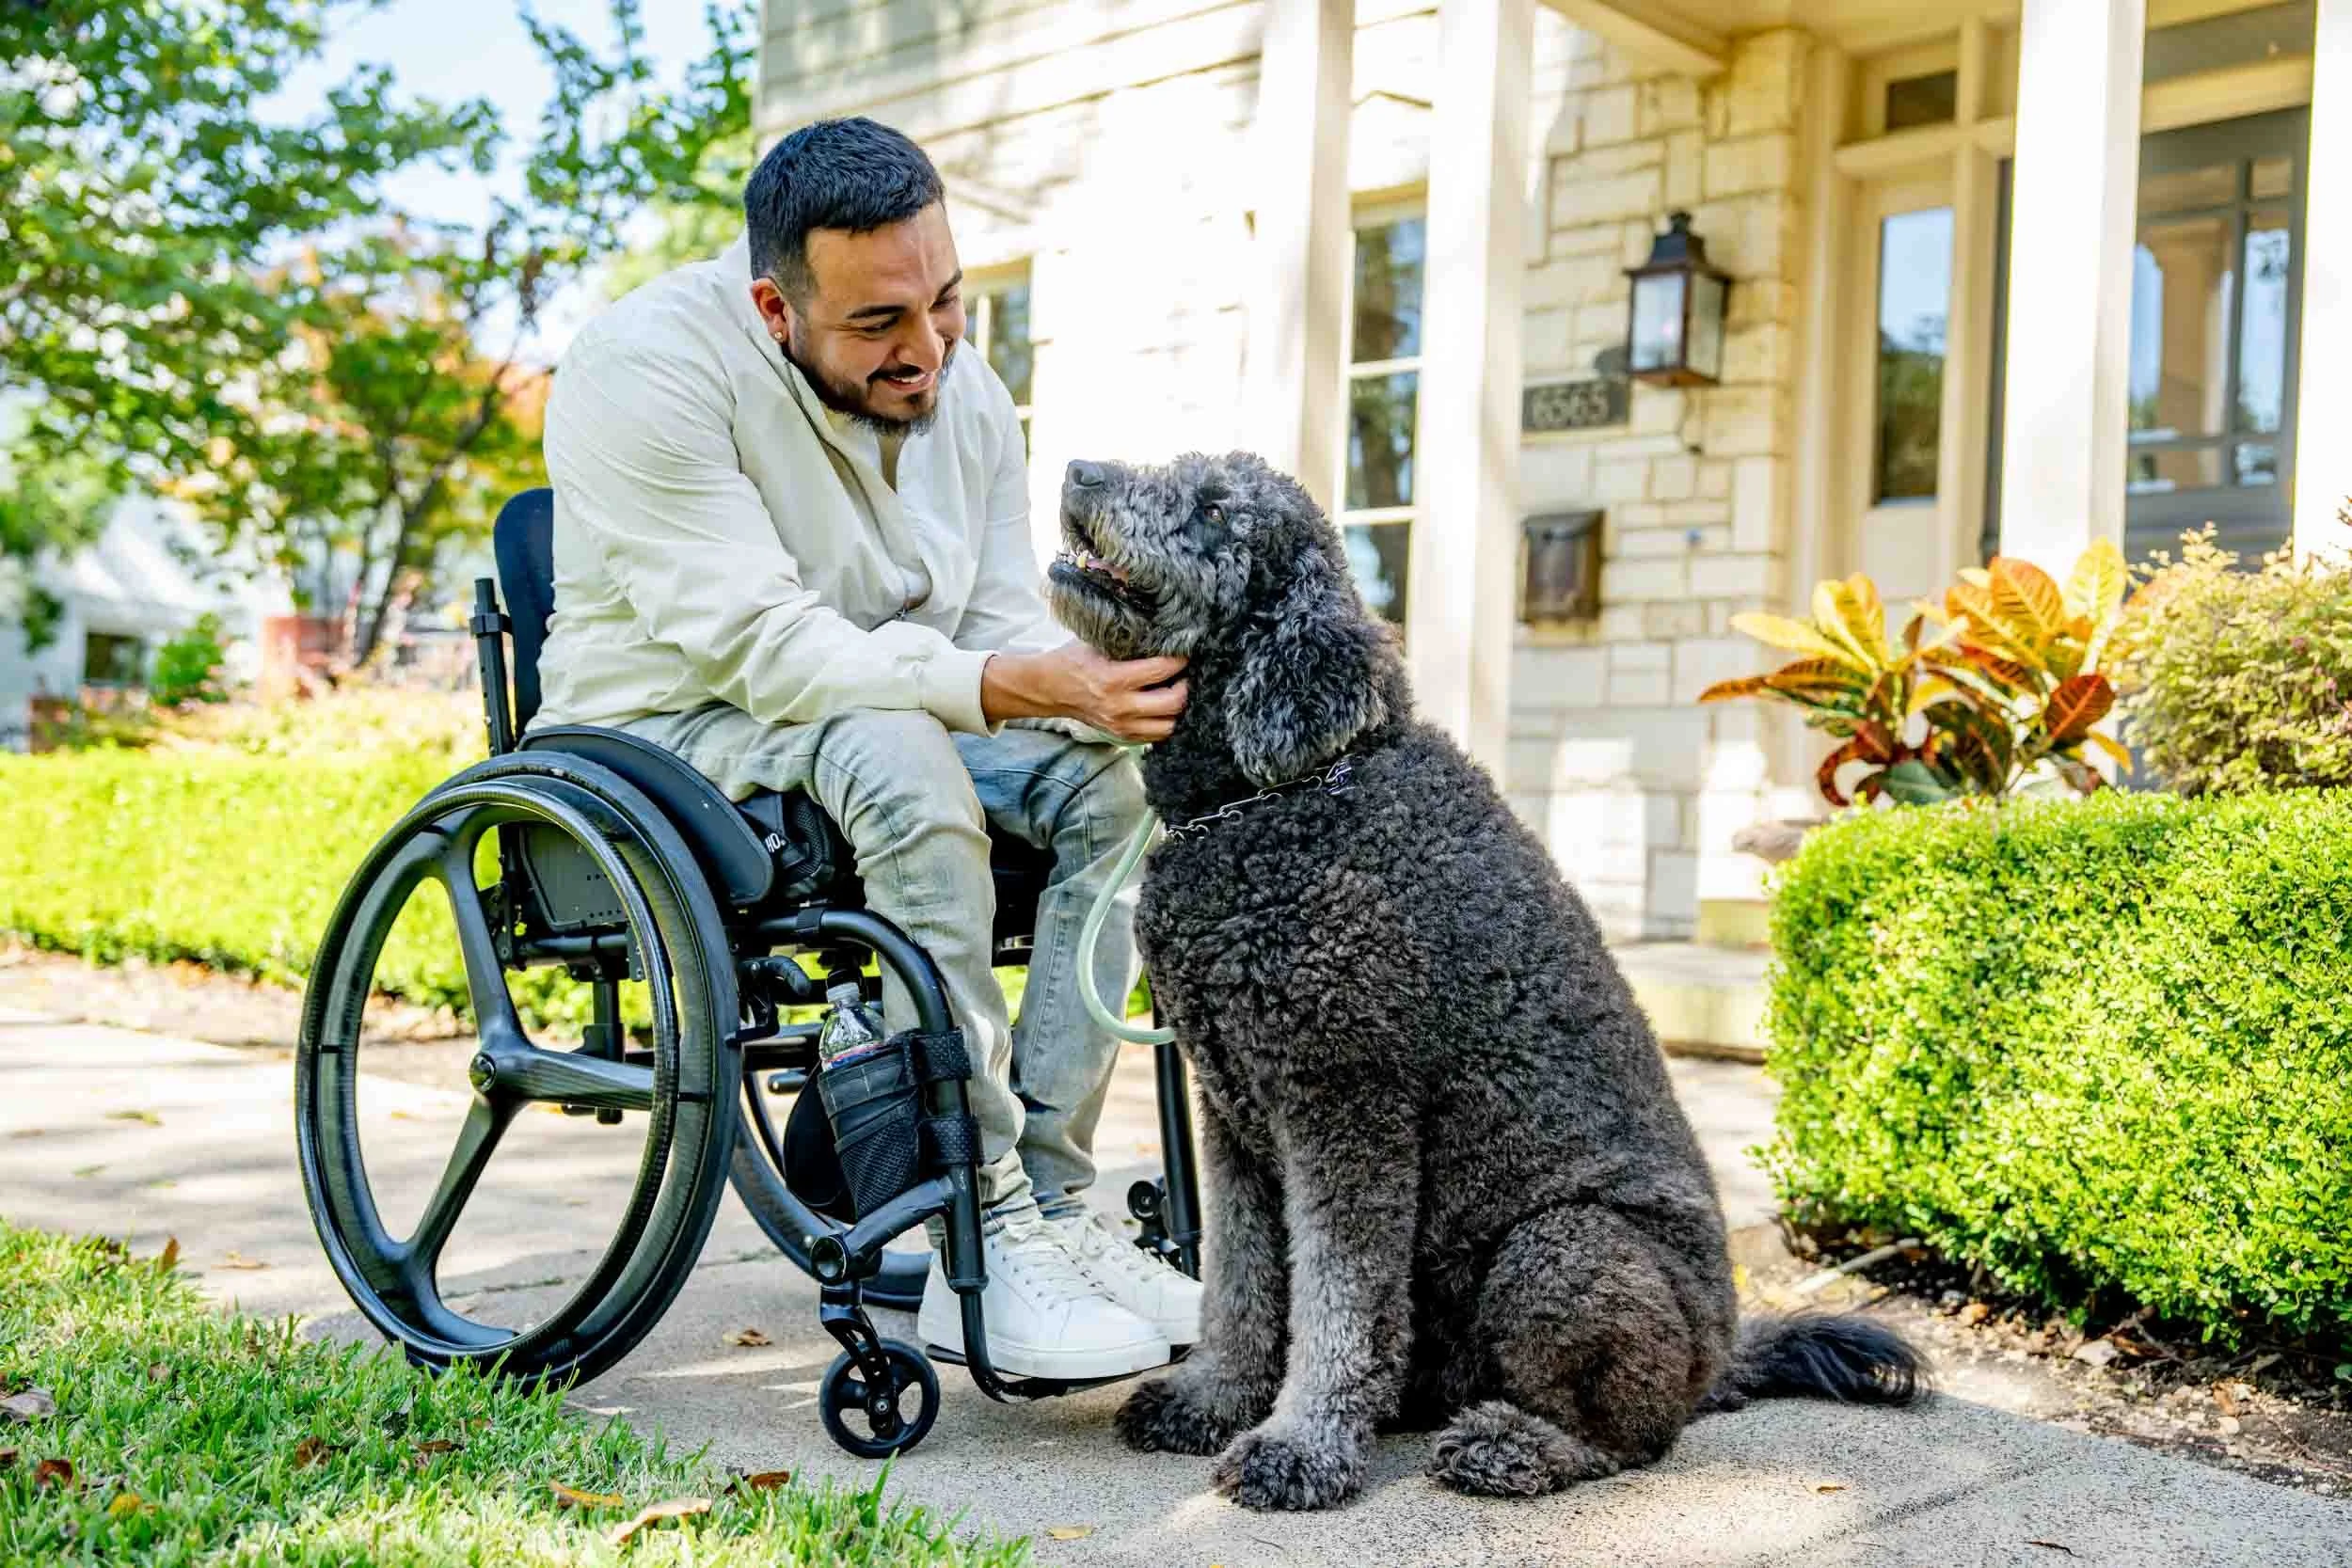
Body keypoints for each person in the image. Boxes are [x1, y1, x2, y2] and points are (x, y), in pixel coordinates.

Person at [532, 116, 1200, 1381]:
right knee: (901, 753)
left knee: (1111, 788)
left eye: (945, 299)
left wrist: (1109, 694)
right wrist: (1007, 683)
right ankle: (977, 1224)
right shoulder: (644, 366)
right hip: (664, 733)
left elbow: (993, 625)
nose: (928, 348)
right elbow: (762, 646)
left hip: (880, 715)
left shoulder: (966, 391)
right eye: (880, 322)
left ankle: (1053, 1204)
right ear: (774, 308)